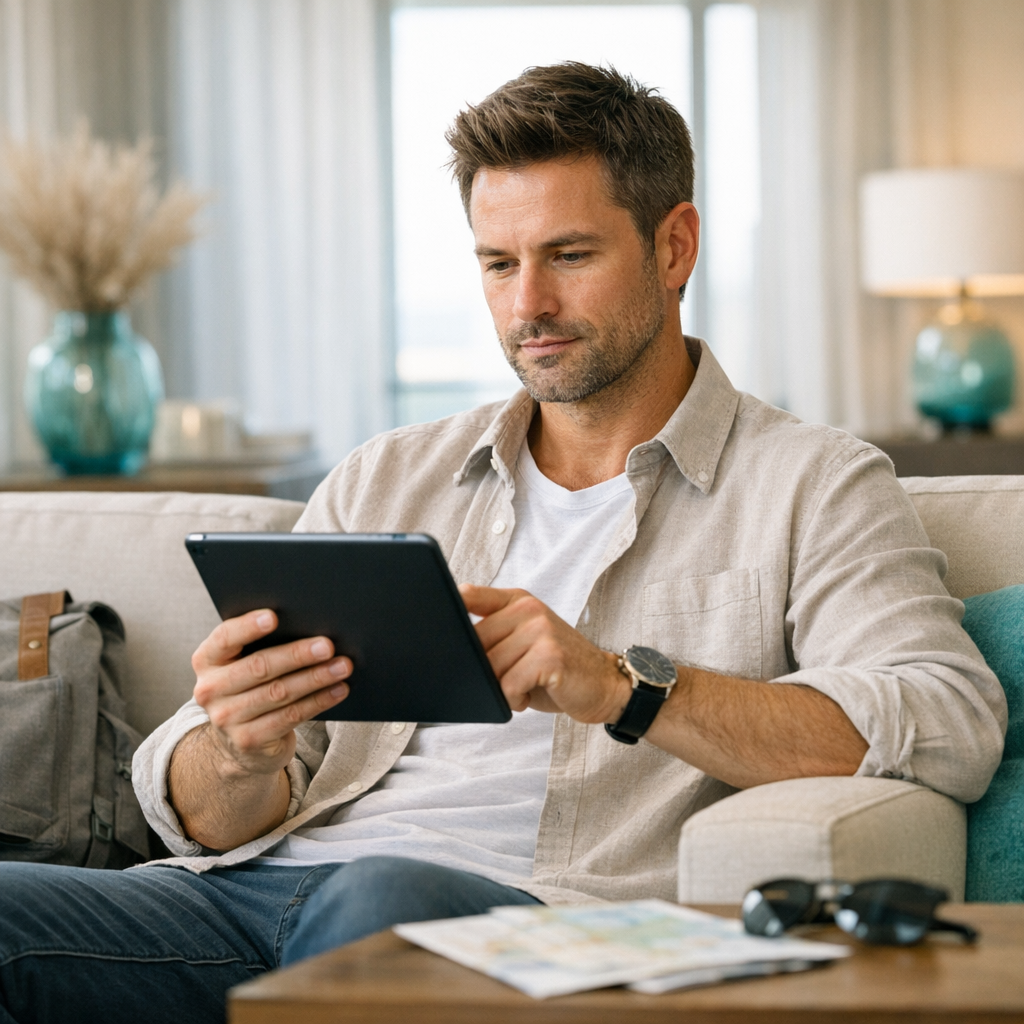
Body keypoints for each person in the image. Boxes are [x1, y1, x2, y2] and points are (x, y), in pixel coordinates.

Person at [0, 62, 1005, 1024]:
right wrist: (235, 743)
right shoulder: (386, 476)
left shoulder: (811, 482)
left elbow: (944, 716)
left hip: (524, 921)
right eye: (496, 263)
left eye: (568, 255)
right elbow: (217, 818)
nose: (526, 305)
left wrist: (622, 686)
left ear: (674, 246)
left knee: (376, 899)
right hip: (242, 898)